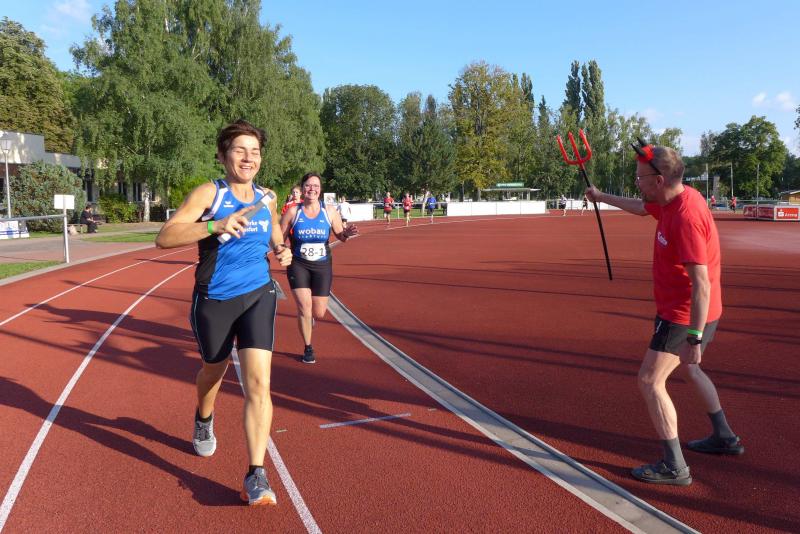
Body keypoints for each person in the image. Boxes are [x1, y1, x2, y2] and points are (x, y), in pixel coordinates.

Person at [585, 142, 743, 487]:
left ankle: (675, 466)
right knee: (690, 369)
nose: (637, 182)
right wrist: (600, 196)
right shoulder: (674, 199)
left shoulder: (685, 218)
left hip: (684, 315)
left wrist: (694, 338)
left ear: (658, 180)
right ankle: (724, 436)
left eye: (640, 177)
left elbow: (701, 284)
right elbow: (641, 209)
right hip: (697, 311)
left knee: (650, 381)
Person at [155, 120, 292, 506]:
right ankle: (204, 416)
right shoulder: (209, 194)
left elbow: (274, 231)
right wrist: (215, 225)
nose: (249, 158)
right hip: (214, 300)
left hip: (259, 294)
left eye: (255, 151)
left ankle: (256, 474)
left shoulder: (268, 196)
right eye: (240, 150)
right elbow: (164, 237)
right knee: (212, 373)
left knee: (259, 384)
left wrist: (282, 249)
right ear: (222, 155)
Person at [281, 173, 358, 364]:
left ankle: (310, 319)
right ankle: (308, 347)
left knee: (319, 312)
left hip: (322, 265)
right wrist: (280, 250)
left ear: (320, 189)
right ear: (302, 188)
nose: (312, 189)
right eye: (308, 185)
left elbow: (340, 236)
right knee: (304, 308)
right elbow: (278, 238)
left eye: (315, 186)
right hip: (298, 264)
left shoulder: (329, 211)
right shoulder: (293, 212)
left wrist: (346, 234)